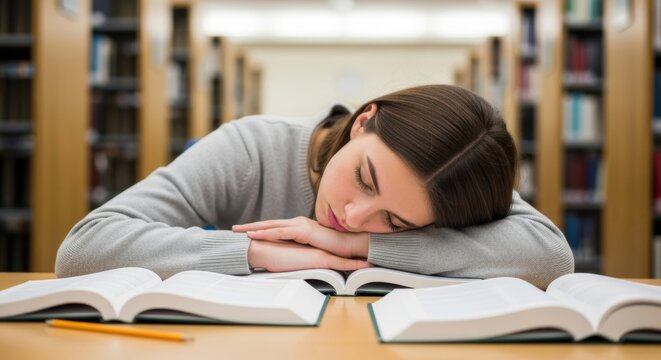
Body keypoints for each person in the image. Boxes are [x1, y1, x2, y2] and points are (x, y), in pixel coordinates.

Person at [55, 84, 573, 288]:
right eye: (363, 179)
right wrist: (259, 252)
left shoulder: (454, 172)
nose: (353, 215)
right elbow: (82, 248)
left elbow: (550, 257)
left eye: (394, 221)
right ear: (364, 121)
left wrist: (357, 246)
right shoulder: (252, 148)